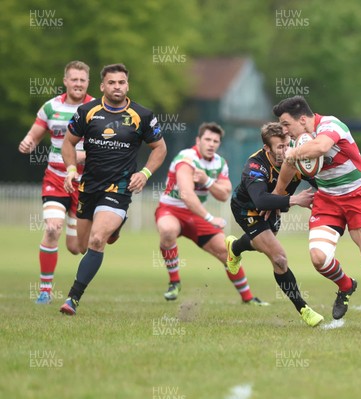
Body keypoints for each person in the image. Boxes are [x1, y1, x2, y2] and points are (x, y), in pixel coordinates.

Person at [272, 95, 361, 332]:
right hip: (327, 200)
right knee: (318, 258)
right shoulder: (297, 142)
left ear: (302, 119)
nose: (283, 130)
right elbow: (287, 168)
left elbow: (321, 147)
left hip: (358, 197)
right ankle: (346, 285)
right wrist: (276, 196)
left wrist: (293, 154)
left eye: (286, 124)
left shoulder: (330, 125)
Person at [59, 63, 167, 315]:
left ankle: (72, 298)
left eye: (121, 82)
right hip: (88, 187)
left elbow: (159, 148)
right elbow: (68, 143)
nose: (117, 87)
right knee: (79, 246)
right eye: (111, 83)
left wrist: (145, 173)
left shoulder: (143, 115)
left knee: (98, 240)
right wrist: (71, 169)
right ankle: (115, 226)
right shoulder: (87, 111)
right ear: (102, 86)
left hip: (118, 188)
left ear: (127, 85)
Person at [155, 122, 267, 305]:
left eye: (216, 141)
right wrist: (209, 218)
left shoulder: (219, 163)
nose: (211, 144)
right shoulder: (187, 157)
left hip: (196, 214)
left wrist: (207, 180)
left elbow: (224, 194)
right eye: (207, 139)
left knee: (226, 251)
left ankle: (248, 298)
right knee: (167, 230)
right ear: (198, 140)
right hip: (172, 209)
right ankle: (174, 282)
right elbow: (187, 195)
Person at [225, 122, 323, 326]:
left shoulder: (295, 156)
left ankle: (235, 247)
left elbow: (319, 183)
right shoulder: (255, 166)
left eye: (288, 144)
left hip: (275, 208)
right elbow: (261, 200)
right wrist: (295, 200)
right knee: (278, 258)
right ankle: (304, 309)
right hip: (247, 209)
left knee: (263, 244)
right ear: (266, 148)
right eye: (280, 147)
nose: (286, 151)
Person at [18, 61, 94, 304]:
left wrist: (82, 156)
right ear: (66, 81)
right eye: (74, 79)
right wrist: (28, 142)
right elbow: (34, 133)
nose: (78, 84)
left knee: (76, 247)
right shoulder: (51, 107)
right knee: (52, 229)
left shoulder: (96, 109)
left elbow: (106, 146)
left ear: (88, 83)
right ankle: (45, 290)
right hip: (57, 178)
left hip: (85, 182)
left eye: (82, 80)